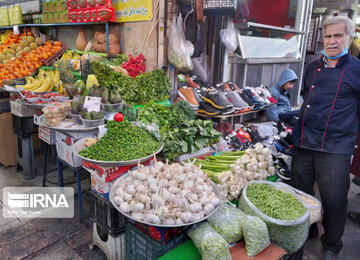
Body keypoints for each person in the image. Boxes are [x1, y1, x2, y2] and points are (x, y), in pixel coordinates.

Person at [290, 16, 360, 260]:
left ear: (349, 39)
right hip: (304, 141)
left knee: (334, 201)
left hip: (335, 147)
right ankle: (306, 231)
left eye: (338, 36)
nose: (332, 41)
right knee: (301, 194)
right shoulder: (312, 67)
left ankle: (331, 245)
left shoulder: (357, 70)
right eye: (328, 36)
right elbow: (307, 100)